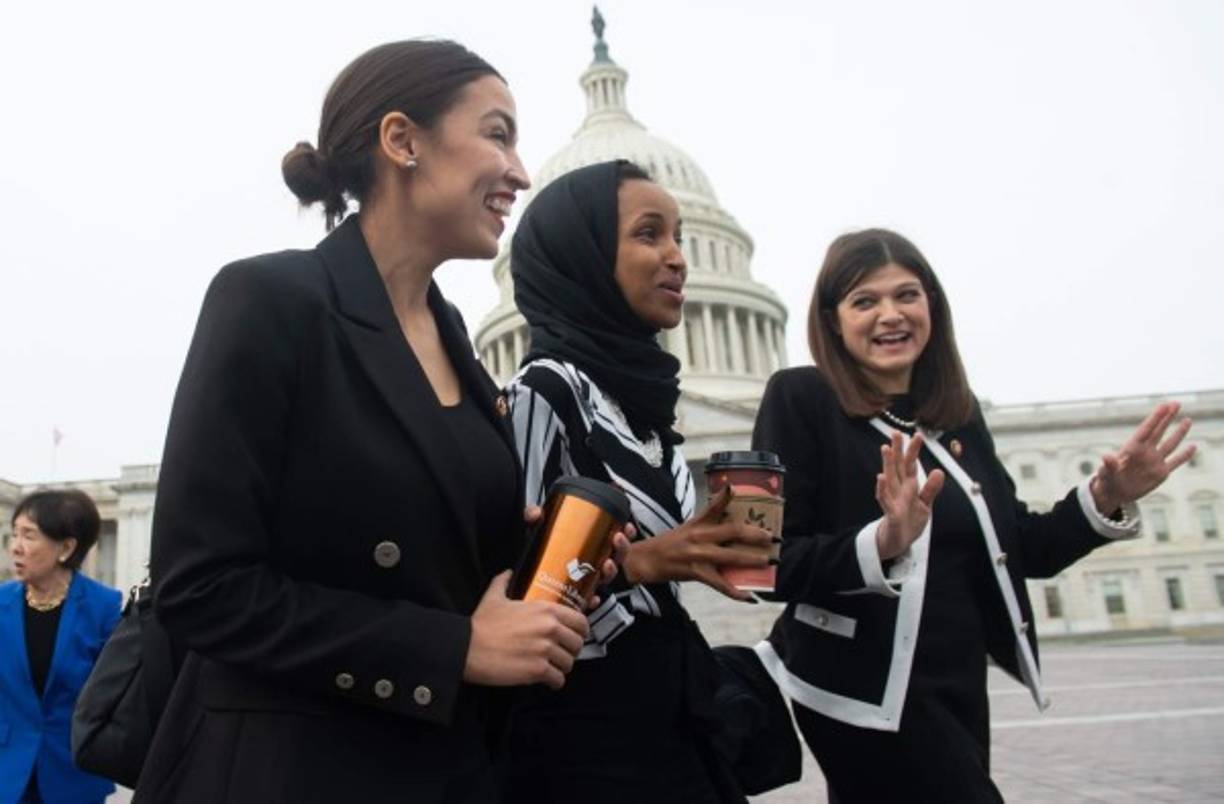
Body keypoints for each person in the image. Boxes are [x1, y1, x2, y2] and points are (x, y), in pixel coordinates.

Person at [135, 40, 609, 803]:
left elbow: (424, 558)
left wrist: (541, 558)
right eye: (498, 134)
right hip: (295, 774)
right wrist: (452, 649)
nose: (521, 172)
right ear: (402, 140)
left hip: (448, 767)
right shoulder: (270, 299)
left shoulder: (454, 338)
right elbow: (201, 588)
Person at [751, 228, 1196, 802]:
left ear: (931, 307)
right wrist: (882, 542)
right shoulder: (797, 396)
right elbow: (759, 564)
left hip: (957, 684)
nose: (891, 314)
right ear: (833, 321)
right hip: (861, 690)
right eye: (865, 301)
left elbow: (1024, 548)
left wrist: (1105, 495)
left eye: (907, 295)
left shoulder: (957, 417)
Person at [501, 159, 775, 803]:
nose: (677, 257)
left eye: (680, 236)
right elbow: (514, 586)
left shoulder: (646, 410)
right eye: (649, 234)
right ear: (585, 255)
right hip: (585, 739)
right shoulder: (545, 391)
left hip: (673, 715)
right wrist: (642, 562)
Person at [1, 490, 122, 804]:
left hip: (74, 774)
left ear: (66, 547)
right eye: (14, 533)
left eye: (29, 535)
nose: (15, 546)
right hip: (7, 773)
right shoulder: (1, 603)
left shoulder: (105, 607)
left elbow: (114, 697)